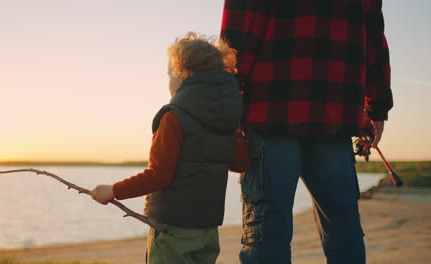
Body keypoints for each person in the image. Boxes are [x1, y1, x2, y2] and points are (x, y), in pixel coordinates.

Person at [220, 0, 393, 263]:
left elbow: (237, 37)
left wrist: (226, 98)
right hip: (335, 117)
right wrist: (376, 107)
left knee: (267, 233)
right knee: (343, 230)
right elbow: (374, 44)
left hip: (271, 113)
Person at [90, 32, 248, 264]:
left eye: (169, 75)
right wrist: (236, 133)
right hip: (207, 230)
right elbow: (241, 163)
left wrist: (113, 190)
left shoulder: (174, 117)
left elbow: (159, 175)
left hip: (171, 229)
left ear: (183, 73)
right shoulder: (227, 119)